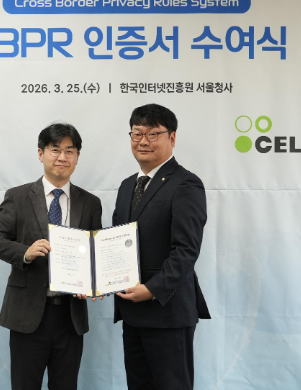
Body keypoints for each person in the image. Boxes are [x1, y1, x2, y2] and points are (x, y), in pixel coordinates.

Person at [0, 123, 102, 390]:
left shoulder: (91, 203)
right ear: (41, 154)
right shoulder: (18, 197)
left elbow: (95, 253)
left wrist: (93, 282)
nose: (62, 157)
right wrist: (24, 253)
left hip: (70, 317)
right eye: (55, 150)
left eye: (69, 151)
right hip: (27, 314)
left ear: (77, 156)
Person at [113, 104, 210, 390]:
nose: (143, 141)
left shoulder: (186, 183)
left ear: (172, 137)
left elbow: (186, 250)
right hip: (132, 311)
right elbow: (116, 242)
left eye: (153, 134)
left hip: (167, 311)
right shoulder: (127, 186)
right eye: (137, 133)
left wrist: (152, 289)